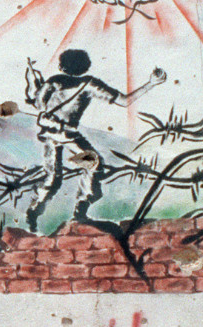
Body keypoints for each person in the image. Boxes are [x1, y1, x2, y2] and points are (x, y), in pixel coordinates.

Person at [23, 48, 166, 230]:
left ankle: (35, 211)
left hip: (51, 133)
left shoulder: (54, 81)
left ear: (62, 65)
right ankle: (79, 210)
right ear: (85, 66)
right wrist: (151, 84)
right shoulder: (89, 84)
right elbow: (124, 101)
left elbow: (38, 104)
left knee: (53, 178)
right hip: (67, 134)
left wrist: (33, 81)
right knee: (94, 164)